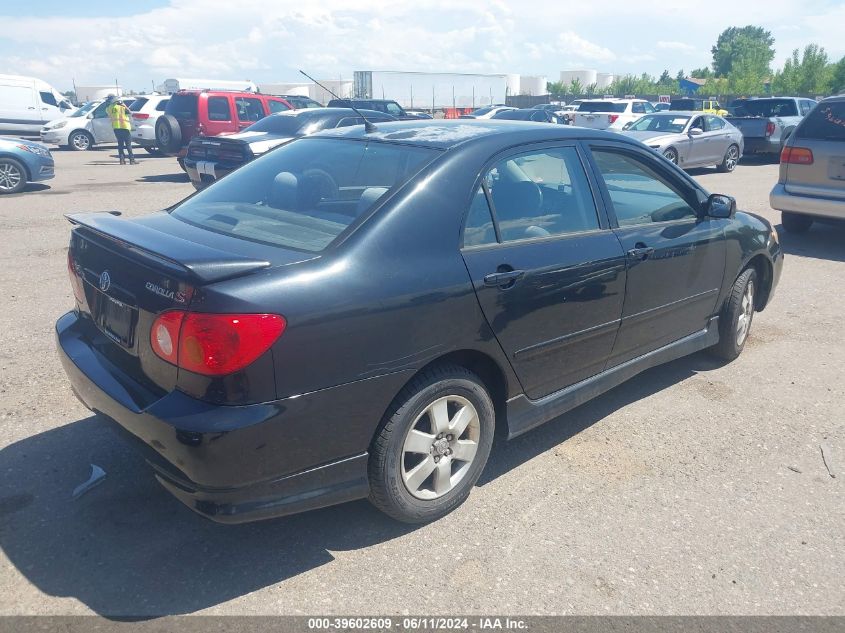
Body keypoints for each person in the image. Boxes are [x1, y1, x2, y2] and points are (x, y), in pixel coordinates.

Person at [105, 95, 136, 165]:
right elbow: (130, 112)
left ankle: (122, 161)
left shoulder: (109, 108)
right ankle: (132, 160)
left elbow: (108, 111)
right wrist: (123, 104)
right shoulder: (122, 107)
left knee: (120, 145)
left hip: (116, 128)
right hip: (125, 127)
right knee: (128, 145)